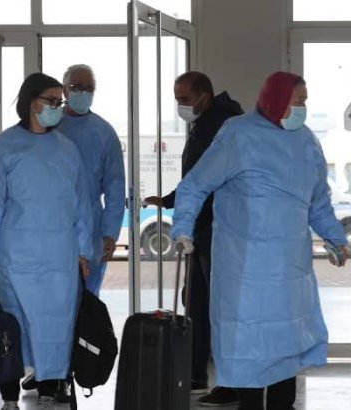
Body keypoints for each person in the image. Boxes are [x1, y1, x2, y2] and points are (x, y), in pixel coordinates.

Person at [170, 71, 348, 410]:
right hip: (245, 269)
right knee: (249, 350)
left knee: (286, 345)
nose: (303, 108)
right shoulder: (239, 134)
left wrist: (335, 238)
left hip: (289, 268)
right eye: (298, 101)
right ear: (276, 99)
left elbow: (318, 201)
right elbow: (195, 184)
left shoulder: (306, 141)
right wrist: (182, 228)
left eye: (304, 101)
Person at [0, 72, 93, 410]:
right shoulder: (3, 148)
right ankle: (10, 397)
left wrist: (84, 251)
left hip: (59, 260)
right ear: (30, 103)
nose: (57, 108)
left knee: (56, 327)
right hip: (14, 260)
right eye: (50, 101)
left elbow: (82, 205)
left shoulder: (67, 149)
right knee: (9, 329)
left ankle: (51, 390)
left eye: (59, 102)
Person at [144, 71, 242, 407]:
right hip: (200, 228)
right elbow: (195, 180)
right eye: (177, 99)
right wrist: (172, 201)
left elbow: (206, 181)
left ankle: (230, 383)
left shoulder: (224, 126)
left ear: (205, 95)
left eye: (184, 99)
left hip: (218, 229)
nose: (180, 105)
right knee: (196, 303)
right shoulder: (203, 124)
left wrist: (178, 204)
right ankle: (196, 374)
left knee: (220, 309)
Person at [56, 64, 125, 296]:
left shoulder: (104, 133)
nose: (83, 92)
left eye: (89, 88)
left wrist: (110, 234)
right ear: (64, 90)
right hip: (52, 222)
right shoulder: (50, 127)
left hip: (92, 226)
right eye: (77, 87)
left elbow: (116, 187)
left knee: (86, 298)